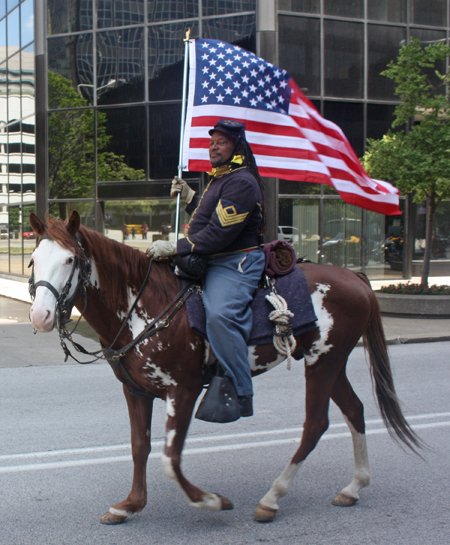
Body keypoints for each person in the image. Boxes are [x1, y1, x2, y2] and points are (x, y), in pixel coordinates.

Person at [146, 119, 265, 422]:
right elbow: (208, 216)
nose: (214, 146)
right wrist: (190, 198)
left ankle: (242, 390)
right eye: (212, 141)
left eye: (222, 141)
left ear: (237, 147)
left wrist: (175, 247)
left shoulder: (242, 181)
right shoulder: (221, 179)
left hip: (235, 261)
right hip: (213, 257)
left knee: (220, 316)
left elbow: (217, 234)